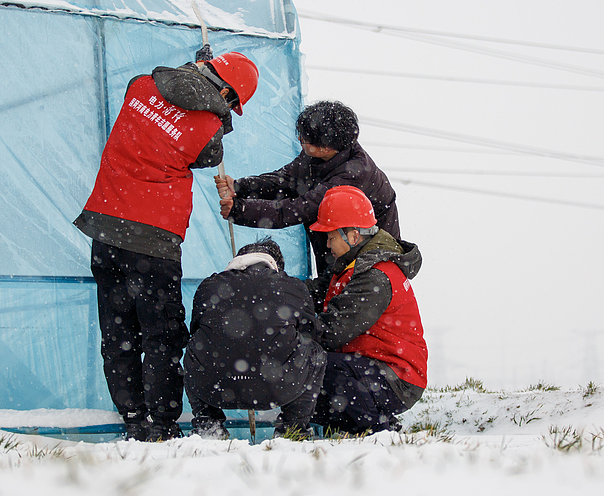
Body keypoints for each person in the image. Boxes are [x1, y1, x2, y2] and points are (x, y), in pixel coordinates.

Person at [73, 48, 259, 442]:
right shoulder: (207, 129)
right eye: (231, 103)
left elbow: (174, 88)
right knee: (163, 336)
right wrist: (217, 107)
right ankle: (161, 424)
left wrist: (197, 71)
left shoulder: (140, 86)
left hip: (106, 229)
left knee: (118, 331)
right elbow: (210, 147)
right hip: (153, 241)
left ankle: (133, 417)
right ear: (226, 94)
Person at [214, 100, 398, 274]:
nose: (300, 139)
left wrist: (240, 210)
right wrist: (239, 186)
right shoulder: (321, 152)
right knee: (329, 283)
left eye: (304, 139)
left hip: (364, 253)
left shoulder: (352, 175)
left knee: (340, 287)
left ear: (326, 148)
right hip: (335, 241)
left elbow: (298, 209)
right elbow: (286, 179)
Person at [306, 185, 427, 435]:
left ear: (353, 236)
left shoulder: (374, 276)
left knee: (315, 367)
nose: (327, 244)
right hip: (378, 370)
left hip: (397, 379)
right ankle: (365, 419)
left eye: (331, 237)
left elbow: (331, 331)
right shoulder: (354, 265)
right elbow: (315, 292)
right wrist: (281, 291)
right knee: (316, 377)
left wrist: (289, 339)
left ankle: (375, 430)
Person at [183, 238, 327, 439]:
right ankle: (293, 428)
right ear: (275, 265)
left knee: (193, 348)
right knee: (315, 353)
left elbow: (196, 329)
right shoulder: (293, 286)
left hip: (216, 386)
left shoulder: (209, 285)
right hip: (278, 384)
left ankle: (208, 425)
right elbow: (310, 333)